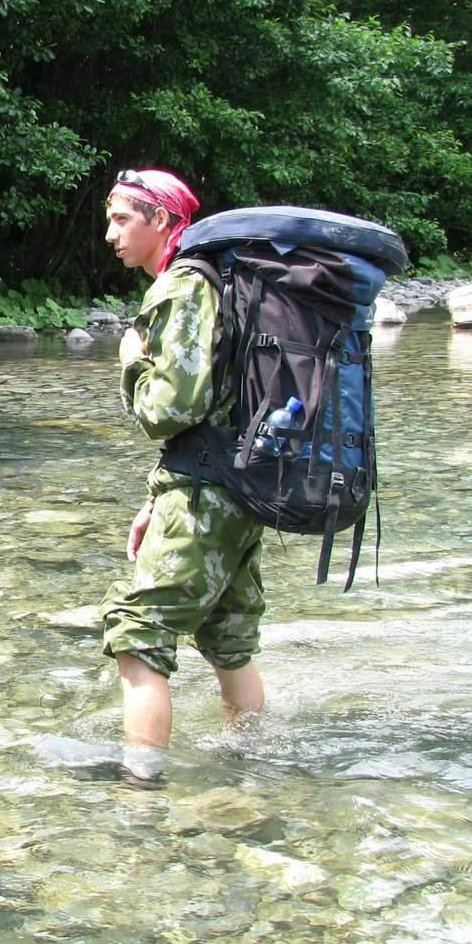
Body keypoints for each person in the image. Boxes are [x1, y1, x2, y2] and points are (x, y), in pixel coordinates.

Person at [97, 168, 265, 786]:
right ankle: (251, 766)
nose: (110, 234)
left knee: (138, 638)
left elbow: (171, 409)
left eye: (122, 219)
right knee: (228, 638)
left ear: (162, 220)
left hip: (205, 497)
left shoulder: (184, 284)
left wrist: (131, 365)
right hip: (233, 487)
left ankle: (140, 790)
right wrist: (155, 497)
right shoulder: (219, 281)